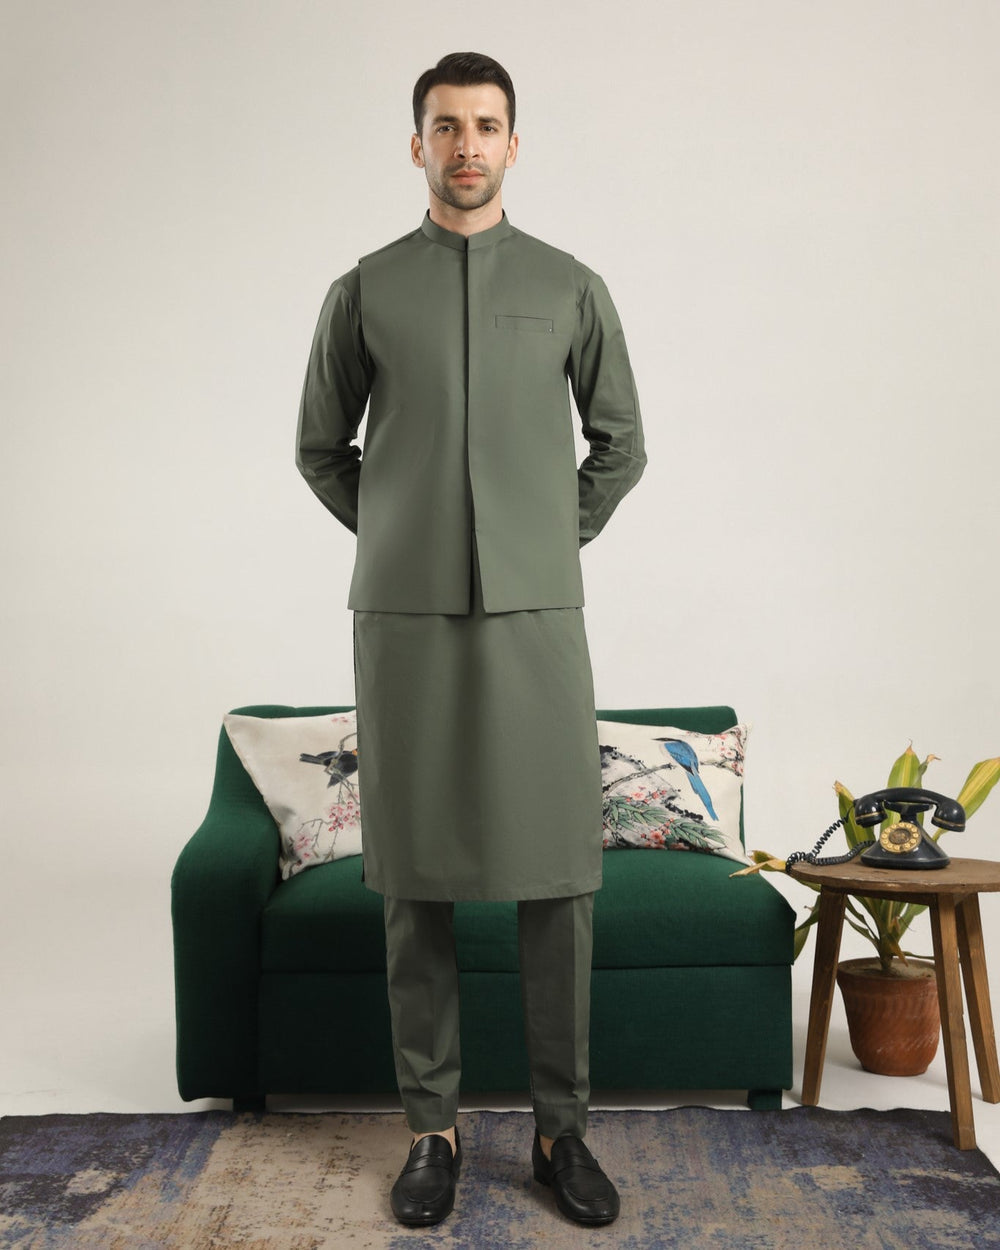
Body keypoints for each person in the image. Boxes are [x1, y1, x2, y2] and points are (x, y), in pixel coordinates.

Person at [296, 51, 645, 1228]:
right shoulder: (363, 289)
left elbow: (620, 443)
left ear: (512, 144)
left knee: (560, 878)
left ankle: (561, 1129)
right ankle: (431, 1131)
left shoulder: (568, 284)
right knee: (415, 881)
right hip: (404, 618)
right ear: (417, 145)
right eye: (446, 126)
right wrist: (405, 534)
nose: (466, 145)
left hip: (537, 618)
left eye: (485, 126)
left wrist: (544, 538)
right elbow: (320, 447)